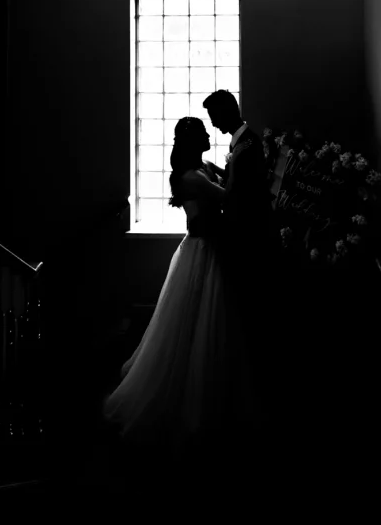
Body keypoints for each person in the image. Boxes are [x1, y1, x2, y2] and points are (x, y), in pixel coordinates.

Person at [101, 116, 255, 462]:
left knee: (208, 325)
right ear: (191, 142)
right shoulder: (191, 177)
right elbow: (229, 196)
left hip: (210, 249)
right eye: (202, 133)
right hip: (203, 252)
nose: (207, 135)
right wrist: (239, 158)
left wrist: (234, 160)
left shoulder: (201, 166)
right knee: (197, 325)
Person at [203, 89, 282, 438]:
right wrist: (217, 171)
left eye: (214, 116)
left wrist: (210, 182)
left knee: (249, 307)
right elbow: (238, 185)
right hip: (244, 234)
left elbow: (243, 194)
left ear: (227, 112)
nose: (213, 123)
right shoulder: (242, 143)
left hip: (248, 239)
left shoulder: (248, 144)